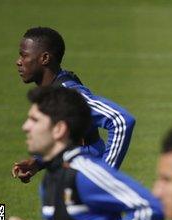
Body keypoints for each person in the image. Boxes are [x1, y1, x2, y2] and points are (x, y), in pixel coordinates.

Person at [5, 87, 163, 220]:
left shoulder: (84, 172)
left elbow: (149, 209)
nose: (25, 126)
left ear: (59, 129)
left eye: (35, 120)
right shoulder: (51, 177)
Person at [12, 26, 135, 183]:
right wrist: (38, 162)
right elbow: (68, 139)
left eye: (24, 56)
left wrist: (105, 174)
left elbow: (122, 120)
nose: (18, 62)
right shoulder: (50, 92)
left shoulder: (69, 94)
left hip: (86, 174)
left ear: (44, 58)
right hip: (68, 172)